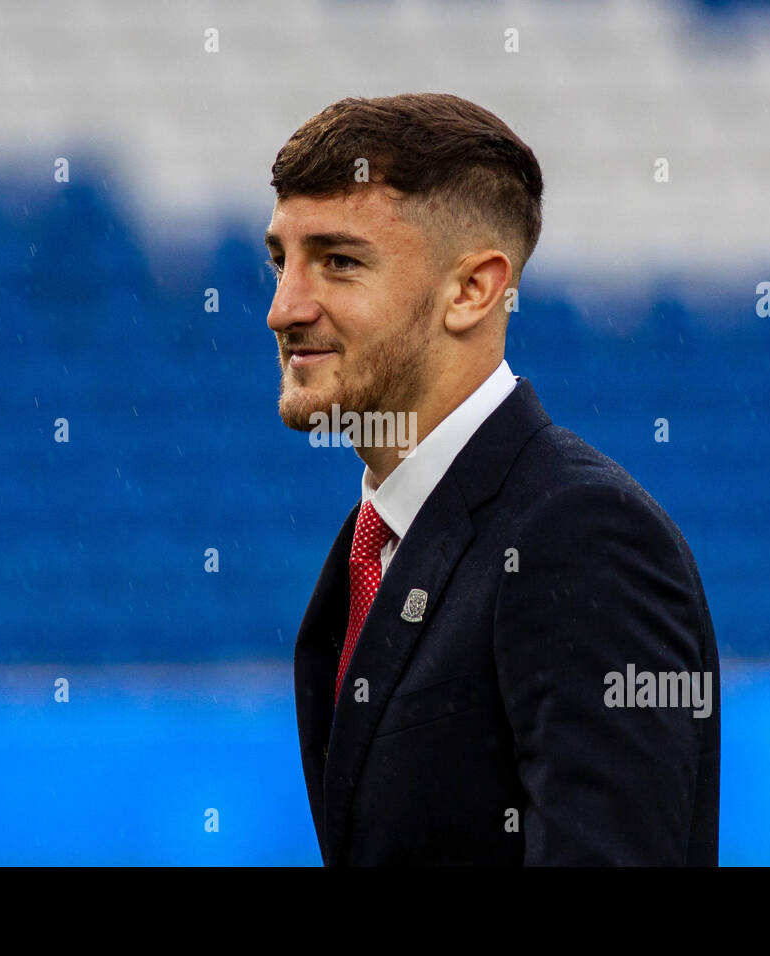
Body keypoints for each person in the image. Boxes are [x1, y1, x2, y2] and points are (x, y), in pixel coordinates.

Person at [264, 92, 719, 865]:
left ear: (473, 290)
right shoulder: (372, 549)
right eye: (281, 261)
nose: (283, 309)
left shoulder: (582, 537)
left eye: (339, 262)